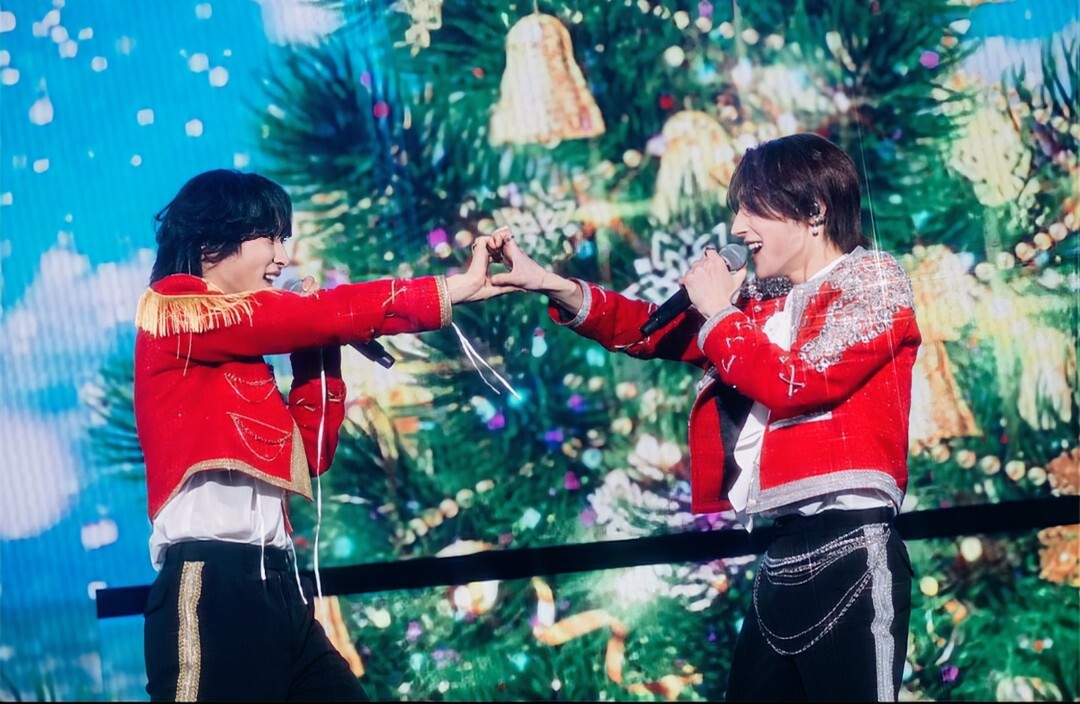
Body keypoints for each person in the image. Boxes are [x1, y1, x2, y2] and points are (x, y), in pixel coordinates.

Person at [489, 133, 922, 701]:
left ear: (815, 210)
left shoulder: (874, 282)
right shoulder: (758, 305)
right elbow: (648, 331)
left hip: (853, 549)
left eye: (753, 208)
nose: (738, 228)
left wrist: (719, 310)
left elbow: (796, 383)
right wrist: (553, 284)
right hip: (780, 552)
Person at [133, 168, 507, 701]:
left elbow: (310, 455)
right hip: (214, 591)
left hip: (281, 590)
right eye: (271, 238)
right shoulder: (175, 312)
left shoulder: (242, 351)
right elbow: (296, 317)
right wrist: (449, 289)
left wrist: (319, 344)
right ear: (211, 244)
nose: (283, 256)